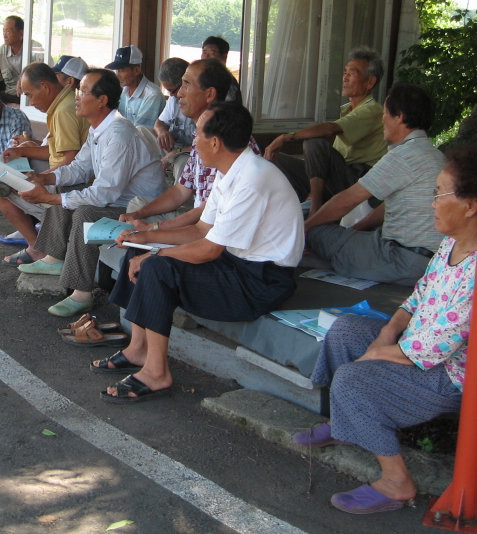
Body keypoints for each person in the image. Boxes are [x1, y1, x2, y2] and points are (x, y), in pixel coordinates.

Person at [293, 145, 477, 515]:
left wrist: (375, 355)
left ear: (470, 205)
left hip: (455, 376)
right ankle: (346, 423)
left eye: (438, 194)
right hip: (423, 348)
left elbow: (431, 352)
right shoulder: (452, 243)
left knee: (354, 378)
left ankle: (396, 481)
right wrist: (387, 334)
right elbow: (417, 297)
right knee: (346, 331)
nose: (431, 203)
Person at [96, 103, 303, 402]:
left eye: (197, 135)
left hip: (260, 281)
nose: (193, 142)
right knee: (138, 250)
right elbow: (201, 230)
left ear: (215, 142)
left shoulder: (253, 178)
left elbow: (208, 249)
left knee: (155, 266)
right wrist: (146, 237)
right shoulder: (230, 170)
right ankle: (137, 349)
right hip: (236, 264)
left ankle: (157, 373)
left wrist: (156, 255)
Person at [16, 68, 166, 317]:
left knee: (86, 212)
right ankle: (54, 256)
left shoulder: (119, 134)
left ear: (102, 100)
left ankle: (82, 293)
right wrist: (44, 178)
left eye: (83, 92)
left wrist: (50, 197)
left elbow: (105, 194)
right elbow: (78, 168)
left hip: (139, 209)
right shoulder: (99, 128)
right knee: (66, 187)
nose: (77, 97)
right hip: (119, 200)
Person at [305, 83, 445, 286]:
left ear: (400, 117)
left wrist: (306, 228)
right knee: (339, 234)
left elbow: (346, 201)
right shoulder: (436, 155)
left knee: (319, 232)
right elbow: (390, 205)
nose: (382, 119)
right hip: (430, 260)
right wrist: (358, 228)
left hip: (400, 258)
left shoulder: (403, 156)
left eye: (386, 113)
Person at [0, 63, 89, 265]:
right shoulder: (63, 103)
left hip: (69, 185)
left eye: (30, 95)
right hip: (63, 176)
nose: (30, 103)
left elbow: (71, 161)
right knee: (10, 169)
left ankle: (37, 248)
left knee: (1, 190)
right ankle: (38, 243)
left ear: (45, 87)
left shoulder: (63, 111)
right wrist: (21, 150)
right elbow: (56, 150)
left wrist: (42, 179)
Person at [264, 47, 387, 213]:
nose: (345, 78)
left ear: (370, 82)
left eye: (352, 73)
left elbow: (329, 129)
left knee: (315, 143)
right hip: (336, 178)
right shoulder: (349, 110)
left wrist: (286, 137)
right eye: (345, 72)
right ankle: (287, 205)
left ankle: (315, 206)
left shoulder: (372, 110)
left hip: (357, 181)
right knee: (274, 159)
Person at [125, 58, 242, 232]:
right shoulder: (201, 135)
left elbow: (207, 216)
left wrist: (153, 227)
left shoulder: (223, 141)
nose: (179, 93)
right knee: (136, 208)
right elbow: (180, 191)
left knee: (138, 231)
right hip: (198, 218)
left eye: (186, 85)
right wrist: (139, 215)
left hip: (211, 231)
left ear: (210, 94)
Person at [0, 15, 44, 104]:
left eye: (8, 31)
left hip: (31, 98)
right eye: (3, 31)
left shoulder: (35, 48)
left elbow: (46, 75)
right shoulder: (1, 52)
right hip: (10, 97)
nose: (4, 35)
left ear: (21, 34)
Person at [107, 45, 165, 128]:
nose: (117, 75)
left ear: (136, 70)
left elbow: (140, 132)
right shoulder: (122, 90)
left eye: (121, 71)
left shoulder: (152, 94)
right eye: (117, 70)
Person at [153, 58, 194, 152]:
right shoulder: (173, 98)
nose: (171, 95)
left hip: (189, 152)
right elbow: (160, 123)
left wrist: (177, 152)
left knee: (180, 163)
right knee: (143, 131)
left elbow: (204, 147)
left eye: (172, 91)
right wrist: (162, 131)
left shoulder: (198, 101)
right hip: (173, 146)